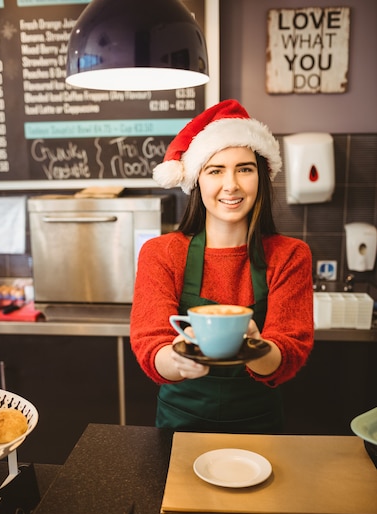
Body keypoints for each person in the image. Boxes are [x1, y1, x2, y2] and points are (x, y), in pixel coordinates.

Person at [130, 99, 314, 433]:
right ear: (197, 180)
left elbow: (289, 350)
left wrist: (256, 348)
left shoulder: (290, 255)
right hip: (178, 426)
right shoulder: (161, 253)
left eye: (245, 168)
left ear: (262, 176)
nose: (231, 185)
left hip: (259, 426)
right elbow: (150, 342)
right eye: (216, 170)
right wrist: (178, 362)